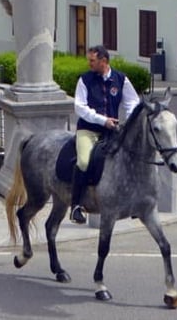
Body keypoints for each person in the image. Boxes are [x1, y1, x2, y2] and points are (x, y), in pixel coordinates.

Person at [71, 45, 140, 224]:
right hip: (88, 130)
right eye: (89, 60)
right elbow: (80, 107)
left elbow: (133, 101)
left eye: (92, 61)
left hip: (112, 131)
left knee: (132, 157)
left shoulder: (121, 79)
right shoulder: (84, 80)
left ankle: (135, 201)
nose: (89, 64)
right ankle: (76, 206)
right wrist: (103, 120)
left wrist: (129, 120)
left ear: (104, 61)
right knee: (84, 161)